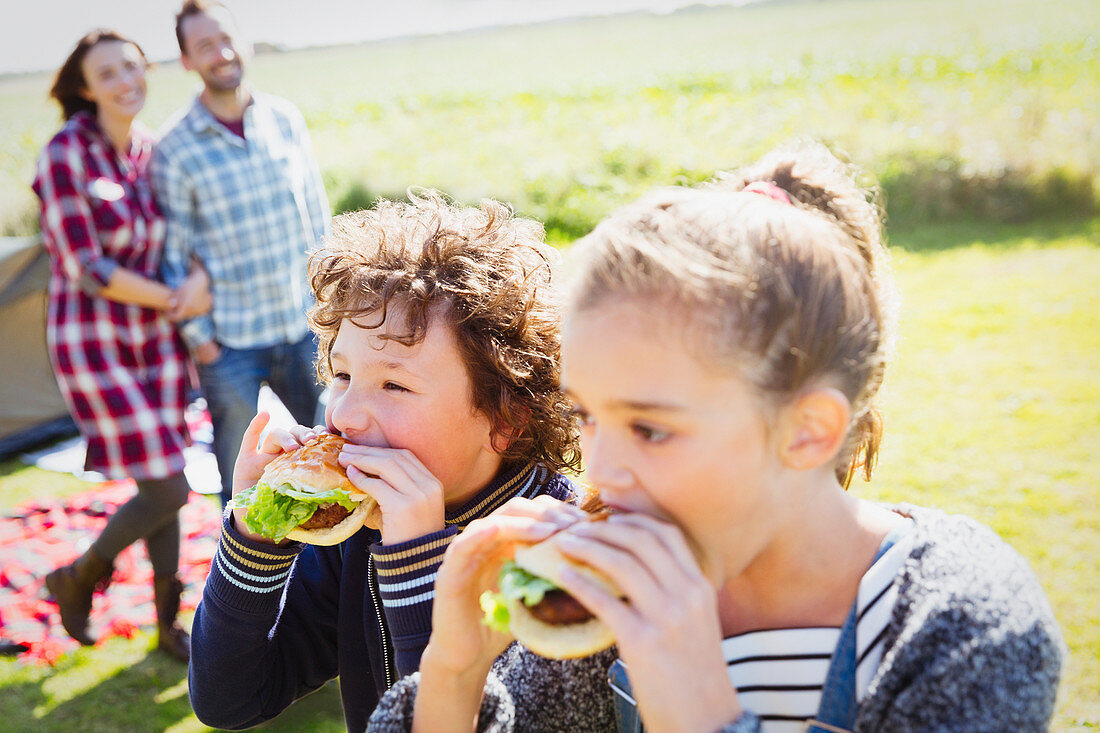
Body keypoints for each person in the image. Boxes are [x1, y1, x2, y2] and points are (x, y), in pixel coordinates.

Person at [369, 143, 1065, 732]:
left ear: (806, 431)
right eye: (587, 416)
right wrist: (455, 669)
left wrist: (695, 699)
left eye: (650, 427)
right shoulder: (599, 608)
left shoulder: (963, 624)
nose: (601, 472)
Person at [187, 191, 585, 732]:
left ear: (506, 419)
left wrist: (418, 564)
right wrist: (254, 533)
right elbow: (230, 700)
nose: (344, 414)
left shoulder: (561, 560)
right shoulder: (357, 526)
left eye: (394, 383)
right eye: (343, 374)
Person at [33, 29, 212, 662]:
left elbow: (183, 236)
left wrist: (194, 280)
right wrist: (171, 297)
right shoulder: (65, 154)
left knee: (161, 474)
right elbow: (84, 265)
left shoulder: (151, 150)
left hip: (156, 341)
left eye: (131, 67)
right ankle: (79, 575)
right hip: (95, 339)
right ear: (85, 87)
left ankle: (167, 627)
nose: (123, 81)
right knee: (167, 487)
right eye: (107, 73)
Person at [151, 0, 330, 506]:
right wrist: (201, 342)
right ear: (187, 60)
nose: (222, 53)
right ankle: (245, 574)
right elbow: (172, 257)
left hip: (303, 327)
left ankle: (330, 571)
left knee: (331, 456)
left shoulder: (284, 120)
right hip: (231, 343)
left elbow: (317, 221)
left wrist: (331, 311)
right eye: (205, 46)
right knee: (240, 479)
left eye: (227, 38)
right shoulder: (175, 148)